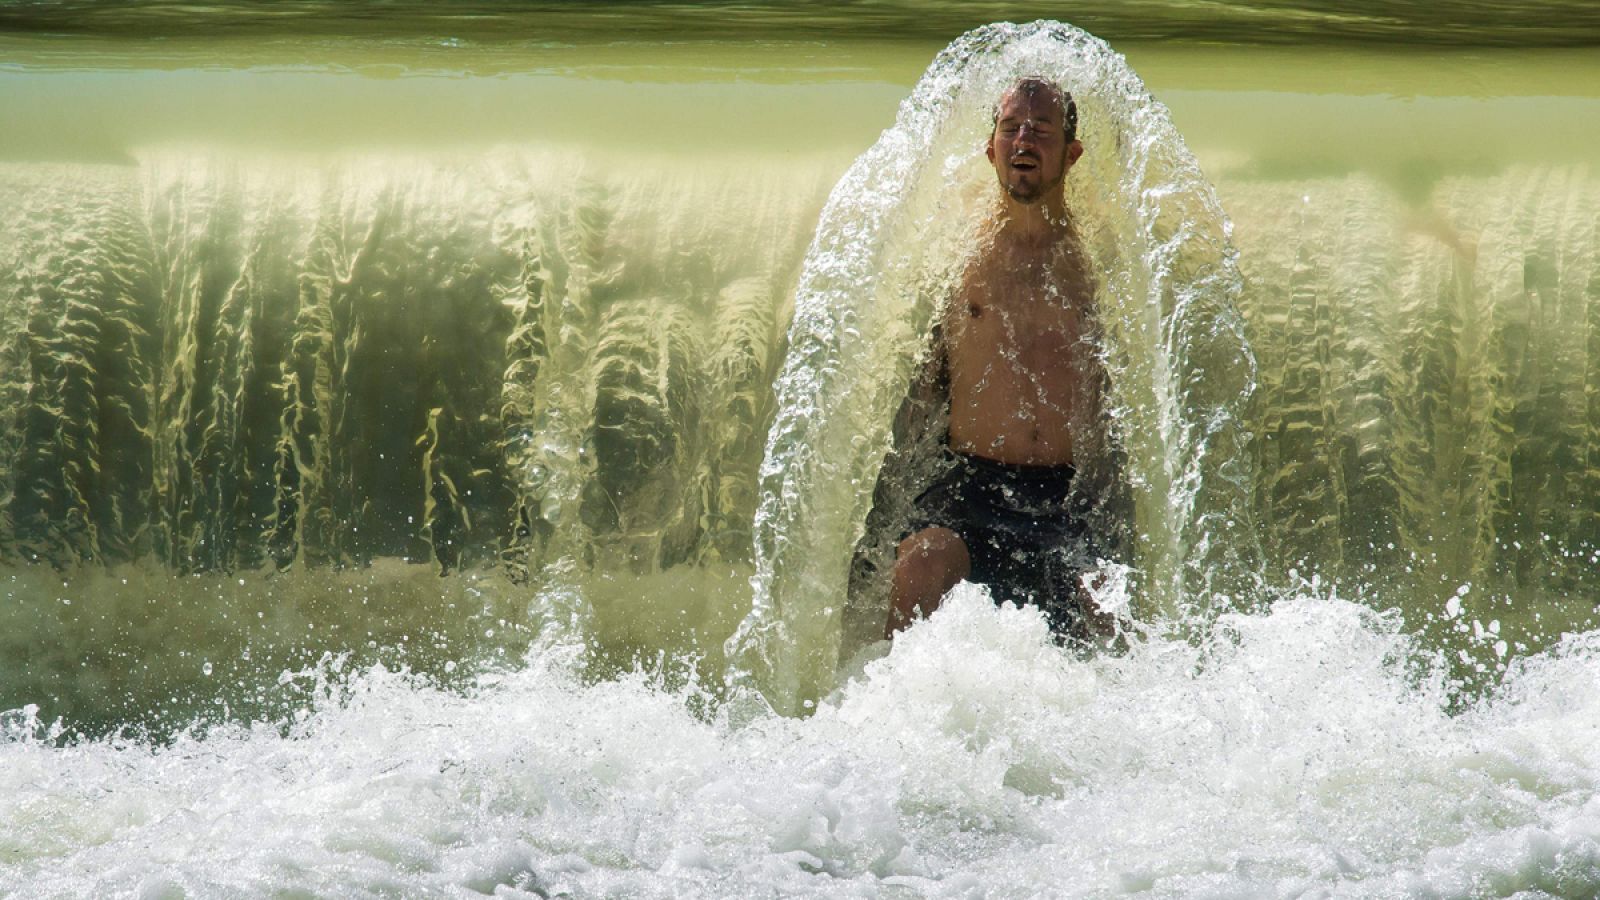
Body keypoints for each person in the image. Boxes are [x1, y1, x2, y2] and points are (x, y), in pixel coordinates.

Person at [884, 76, 1118, 642]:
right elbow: (922, 387)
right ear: (991, 149)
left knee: (1111, 608)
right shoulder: (959, 254)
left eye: (1041, 130)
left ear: (1071, 151)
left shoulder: (1102, 265)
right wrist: (879, 517)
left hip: (1066, 500)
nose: (1023, 142)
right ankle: (869, 715)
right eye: (1010, 129)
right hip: (969, 491)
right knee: (920, 565)